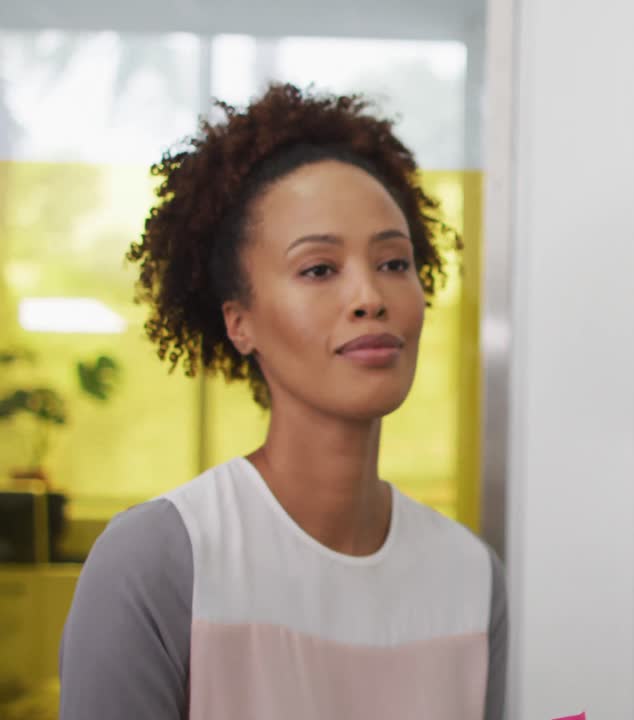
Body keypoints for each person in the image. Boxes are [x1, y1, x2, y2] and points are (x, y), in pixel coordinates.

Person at [58, 82, 506, 720]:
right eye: (319, 269)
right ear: (239, 323)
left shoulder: (472, 580)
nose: (369, 297)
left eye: (394, 263)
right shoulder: (160, 562)